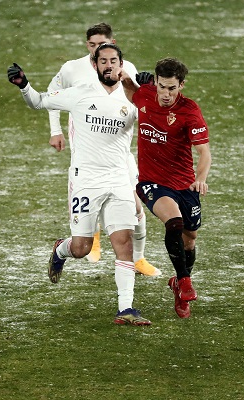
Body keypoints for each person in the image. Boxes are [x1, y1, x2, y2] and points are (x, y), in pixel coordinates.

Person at [8, 43, 151, 326]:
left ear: (121, 64)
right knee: (82, 248)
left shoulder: (133, 98)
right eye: (103, 61)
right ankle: (61, 248)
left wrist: (143, 89)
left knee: (123, 243)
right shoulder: (81, 93)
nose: (109, 65)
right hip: (86, 180)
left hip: (119, 178)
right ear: (95, 65)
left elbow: (156, 117)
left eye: (114, 61)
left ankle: (126, 308)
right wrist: (24, 85)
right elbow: (38, 101)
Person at [46, 23, 160, 277]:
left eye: (102, 44)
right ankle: (87, 241)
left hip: (120, 154)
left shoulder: (125, 68)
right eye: (92, 45)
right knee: (92, 215)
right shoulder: (72, 69)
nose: (97, 50)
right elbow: (52, 95)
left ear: (113, 43)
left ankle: (138, 259)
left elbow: (138, 103)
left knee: (136, 206)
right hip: (87, 155)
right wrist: (56, 130)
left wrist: (146, 89)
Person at [113, 58, 212, 319]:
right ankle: (185, 281)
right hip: (151, 182)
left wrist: (200, 178)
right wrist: (124, 78)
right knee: (175, 223)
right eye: (161, 87)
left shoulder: (190, 111)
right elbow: (133, 92)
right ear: (155, 82)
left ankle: (178, 285)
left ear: (181, 85)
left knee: (190, 239)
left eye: (172, 88)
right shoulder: (145, 95)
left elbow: (204, 152)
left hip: (185, 184)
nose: (166, 94)